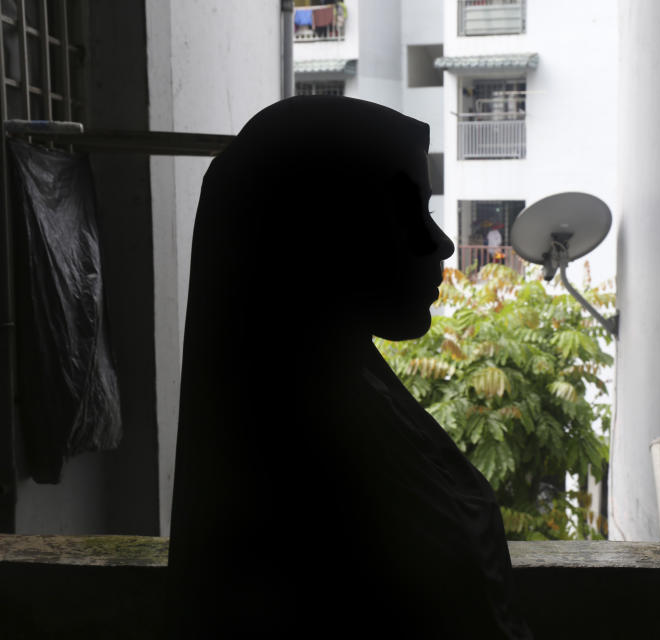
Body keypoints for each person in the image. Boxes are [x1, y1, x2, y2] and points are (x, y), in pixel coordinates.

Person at [165, 96, 532, 638]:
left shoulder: (344, 399)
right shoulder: (306, 456)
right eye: (406, 212)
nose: (443, 242)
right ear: (319, 233)